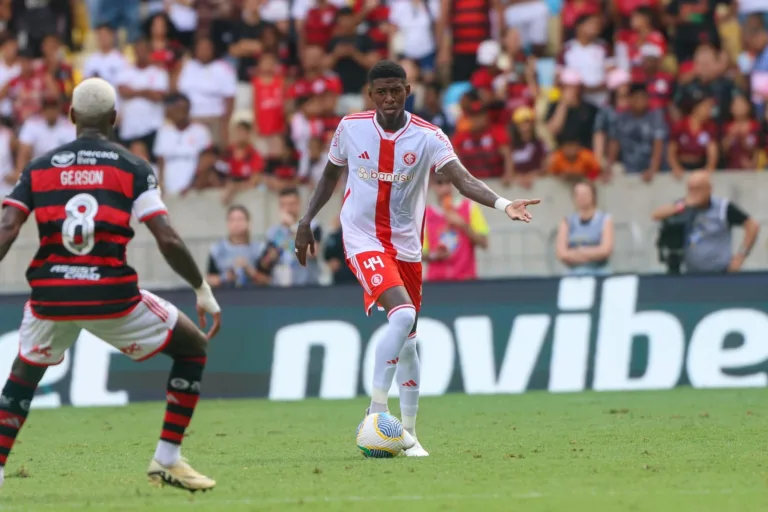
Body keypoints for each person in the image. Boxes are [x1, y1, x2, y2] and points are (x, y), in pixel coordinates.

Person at [294, 60, 540, 457]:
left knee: (408, 344)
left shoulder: (428, 136)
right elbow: (329, 175)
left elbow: (462, 179)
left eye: (396, 90)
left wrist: (503, 203)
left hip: (408, 248)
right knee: (403, 316)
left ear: (408, 90)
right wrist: (306, 220)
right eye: (381, 92)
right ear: (370, 95)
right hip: (362, 238)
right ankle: (376, 411)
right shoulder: (350, 128)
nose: (389, 98)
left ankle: (407, 434)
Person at [0, 78, 220, 491]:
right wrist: (201, 288)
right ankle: (167, 458)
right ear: (115, 119)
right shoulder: (132, 167)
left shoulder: (39, 167)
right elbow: (167, 238)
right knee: (192, 347)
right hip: (110, 296)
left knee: (23, 375)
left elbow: (8, 229)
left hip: (51, 295)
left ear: (71, 117)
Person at [651, 171, 759, 273]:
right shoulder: (683, 205)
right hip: (692, 272)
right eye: (690, 189)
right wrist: (682, 207)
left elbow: (752, 226)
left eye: (698, 189)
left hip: (721, 271)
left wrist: (740, 256)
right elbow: (656, 215)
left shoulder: (723, 207)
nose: (693, 193)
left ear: (709, 189)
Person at [423, 173, 489, 281]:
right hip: (437, 282)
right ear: (432, 185)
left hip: (465, 280)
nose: (444, 188)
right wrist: (435, 255)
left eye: (448, 182)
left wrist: (464, 226)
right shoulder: (426, 215)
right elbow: (420, 254)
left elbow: (484, 243)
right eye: (439, 183)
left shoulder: (469, 208)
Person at [555, 179, 614, 275]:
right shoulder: (567, 221)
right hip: (574, 272)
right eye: (578, 194)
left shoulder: (605, 219)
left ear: (593, 196)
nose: (582, 197)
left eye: (585, 194)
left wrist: (580, 252)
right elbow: (562, 253)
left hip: (600, 271)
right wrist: (589, 255)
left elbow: (606, 249)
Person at [207, 205, 266, 287]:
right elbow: (209, 280)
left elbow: (267, 280)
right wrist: (225, 277)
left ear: (249, 223)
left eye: (240, 219)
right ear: (227, 223)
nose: (236, 224)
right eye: (232, 220)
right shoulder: (217, 249)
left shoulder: (259, 249)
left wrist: (250, 271)